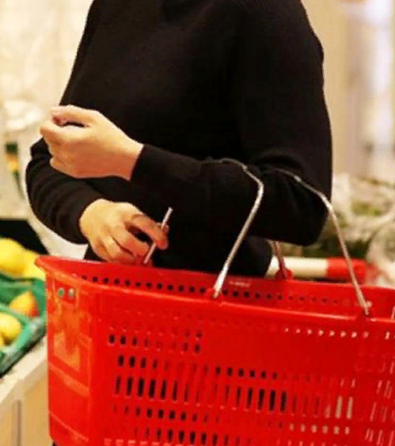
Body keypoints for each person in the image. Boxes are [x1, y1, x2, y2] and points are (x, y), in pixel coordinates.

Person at [26, 0, 332, 284]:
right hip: (109, 307)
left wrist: (133, 162)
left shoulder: (264, 13)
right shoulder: (116, 6)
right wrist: (91, 213)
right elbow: (47, 162)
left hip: (219, 316)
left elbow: (302, 205)